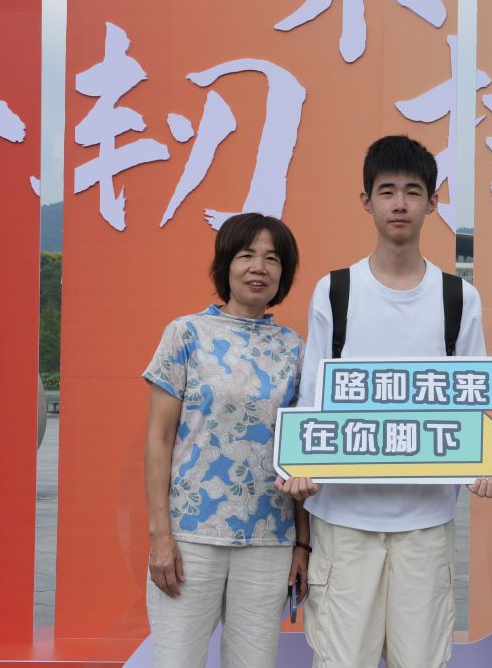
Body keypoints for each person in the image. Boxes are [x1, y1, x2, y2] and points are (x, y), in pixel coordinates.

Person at [277, 135, 492, 668]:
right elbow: (313, 397)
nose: (400, 203)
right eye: (387, 191)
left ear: (433, 202)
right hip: (343, 520)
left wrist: (485, 463)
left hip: (426, 521)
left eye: (413, 192)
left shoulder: (458, 297)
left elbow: (475, 399)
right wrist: (299, 465)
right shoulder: (336, 291)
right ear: (367, 201)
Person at [142, 213, 309, 668]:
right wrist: (161, 535)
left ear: (284, 273)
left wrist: (302, 543)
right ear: (225, 265)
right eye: (246, 255)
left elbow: (298, 454)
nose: (259, 268)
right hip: (191, 536)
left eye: (272, 259)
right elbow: (159, 439)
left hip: (269, 540)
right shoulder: (186, 334)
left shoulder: (295, 348)